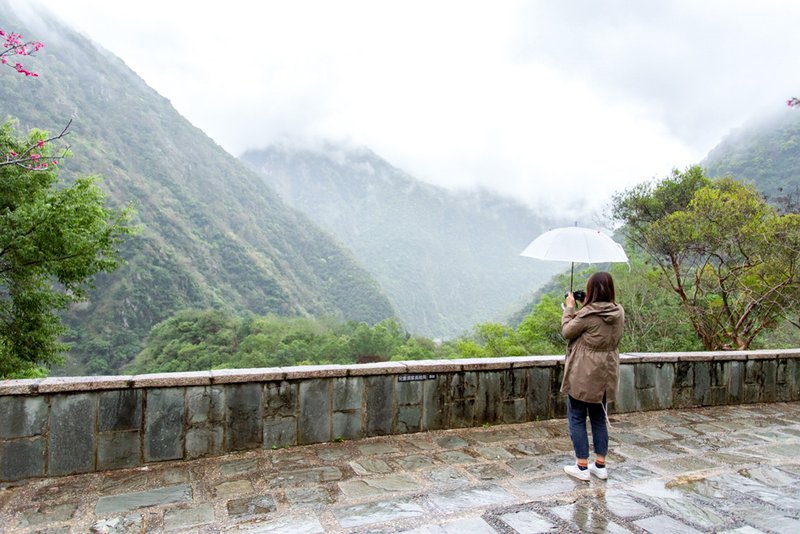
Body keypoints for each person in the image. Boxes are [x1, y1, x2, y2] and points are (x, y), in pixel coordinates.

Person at [560, 271, 624, 482]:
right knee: (598, 418)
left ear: (591, 291)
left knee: (577, 417)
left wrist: (569, 308)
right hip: (606, 374)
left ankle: (581, 466)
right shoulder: (618, 312)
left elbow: (568, 331)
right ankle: (600, 465)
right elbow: (597, 328)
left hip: (583, 373)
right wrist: (583, 307)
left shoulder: (587, 315)